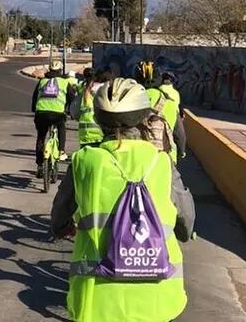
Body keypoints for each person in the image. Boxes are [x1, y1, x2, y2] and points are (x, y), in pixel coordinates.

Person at [51, 77, 195, 322]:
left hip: (95, 300)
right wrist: (182, 231)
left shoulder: (84, 161)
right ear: (143, 118)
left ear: (97, 119)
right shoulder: (161, 163)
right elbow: (187, 219)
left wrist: (64, 228)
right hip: (158, 299)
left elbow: (59, 217)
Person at [134, 61, 186, 161]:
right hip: (165, 158)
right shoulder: (169, 103)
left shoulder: (132, 98)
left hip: (137, 158)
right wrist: (181, 151)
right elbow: (180, 134)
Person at [31, 60, 73, 178]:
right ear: (60, 71)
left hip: (41, 114)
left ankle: (39, 165)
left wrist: (35, 111)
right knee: (61, 128)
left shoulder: (42, 82)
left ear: (49, 70)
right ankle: (62, 151)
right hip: (57, 114)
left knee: (41, 137)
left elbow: (34, 98)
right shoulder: (64, 82)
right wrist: (70, 110)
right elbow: (72, 98)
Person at [69, 68, 109, 148]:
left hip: (84, 133)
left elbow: (75, 108)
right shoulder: (103, 88)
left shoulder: (83, 88)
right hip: (99, 132)